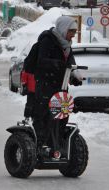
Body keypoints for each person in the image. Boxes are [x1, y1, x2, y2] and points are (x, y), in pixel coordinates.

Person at [32, 16, 82, 159]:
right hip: (46, 85)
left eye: (74, 32)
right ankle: (40, 146)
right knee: (45, 116)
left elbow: (70, 62)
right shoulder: (48, 40)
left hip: (61, 87)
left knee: (62, 115)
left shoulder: (67, 45)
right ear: (63, 29)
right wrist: (58, 65)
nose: (73, 34)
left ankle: (57, 145)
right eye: (71, 31)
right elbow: (41, 62)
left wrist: (74, 76)